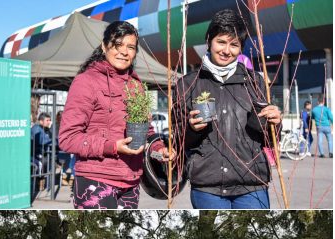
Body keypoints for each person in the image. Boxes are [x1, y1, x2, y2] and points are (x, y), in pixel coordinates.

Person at [173, 9, 281, 209]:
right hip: (208, 187)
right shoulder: (188, 84)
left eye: (234, 45)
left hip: (252, 185)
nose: (226, 50)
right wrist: (191, 129)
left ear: (241, 48)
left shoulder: (254, 81)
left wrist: (275, 123)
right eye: (221, 42)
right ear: (209, 41)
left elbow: (270, 138)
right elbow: (176, 139)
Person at [59, 21, 172, 209]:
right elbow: (68, 138)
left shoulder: (136, 86)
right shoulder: (86, 82)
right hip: (95, 180)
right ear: (104, 46)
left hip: (130, 181)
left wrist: (158, 149)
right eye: (117, 45)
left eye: (130, 47)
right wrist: (112, 146)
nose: (124, 52)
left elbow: (147, 130)